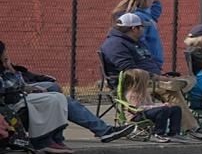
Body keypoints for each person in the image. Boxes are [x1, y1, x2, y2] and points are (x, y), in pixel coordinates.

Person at [1, 40, 131, 142]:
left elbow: (19, 78)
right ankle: (103, 131)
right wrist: (10, 69)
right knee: (63, 99)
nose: (8, 57)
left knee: (53, 88)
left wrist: (35, 80)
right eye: (5, 57)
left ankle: (61, 135)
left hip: (16, 96)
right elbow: (13, 85)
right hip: (10, 108)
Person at [118, 68, 189, 144]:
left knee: (176, 108)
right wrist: (159, 107)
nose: (149, 81)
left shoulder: (144, 92)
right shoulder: (132, 94)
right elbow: (137, 108)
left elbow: (150, 105)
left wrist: (161, 105)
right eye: (146, 80)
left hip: (145, 112)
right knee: (163, 110)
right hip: (136, 116)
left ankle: (174, 133)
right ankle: (158, 133)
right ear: (139, 82)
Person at [113, 0, 166, 73]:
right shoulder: (138, 17)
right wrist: (149, 59)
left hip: (151, 61)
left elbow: (154, 15)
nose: (152, 0)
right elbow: (140, 39)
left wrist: (155, 2)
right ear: (144, 0)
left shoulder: (144, 15)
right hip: (149, 61)